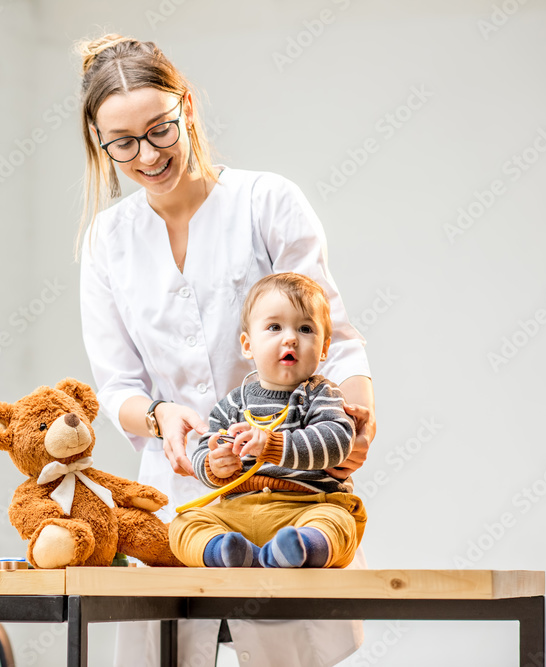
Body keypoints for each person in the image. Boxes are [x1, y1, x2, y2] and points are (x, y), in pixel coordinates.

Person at [76, 32, 376, 667]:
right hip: (181, 490)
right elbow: (118, 387)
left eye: (158, 129)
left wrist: (355, 417)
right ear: (100, 143)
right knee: (169, 647)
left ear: (185, 107)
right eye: (122, 143)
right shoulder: (109, 239)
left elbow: (335, 333)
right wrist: (160, 418)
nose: (146, 155)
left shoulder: (265, 202)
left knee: (284, 650)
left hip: (287, 485)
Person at [170, 272, 366, 571]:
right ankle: (228, 552)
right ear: (248, 345)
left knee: (337, 523)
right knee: (184, 524)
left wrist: (272, 445)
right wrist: (214, 465)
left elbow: (336, 442)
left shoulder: (323, 395)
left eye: (304, 328)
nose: (290, 338)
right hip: (237, 511)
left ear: (325, 348)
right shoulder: (234, 403)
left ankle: (297, 548)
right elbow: (202, 448)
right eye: (274, 327)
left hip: (307, 507)